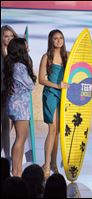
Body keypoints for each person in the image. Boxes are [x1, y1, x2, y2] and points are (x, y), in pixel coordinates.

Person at [4, 38, 36, 177]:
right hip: (20, 106)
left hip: (13, 104)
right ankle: (16, 171)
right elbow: (31, 85)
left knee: (20, 138)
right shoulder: (20, 67)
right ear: (20, 50)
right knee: (20, 138)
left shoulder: (12, 65)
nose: (28, 48)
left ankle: (17, 170)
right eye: (26, 47)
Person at [39, 29, 68, 179]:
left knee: (57, 132)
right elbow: (41, 79)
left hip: (65, 96)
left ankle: (54, 164)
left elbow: (75, 73)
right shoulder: (47, 57)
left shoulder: (67, 55)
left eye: (60, 38)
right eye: (55, 38)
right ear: (51, 40)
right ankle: (46, 164)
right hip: (51, 93)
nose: (58, 40)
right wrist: (57, 86)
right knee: (52, 129)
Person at [1, 25, 18, 160]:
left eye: (11, 36)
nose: (9, 39)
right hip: (2, 92)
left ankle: (6, 158)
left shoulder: (17, 53)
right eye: (6, 36)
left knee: (7, 127)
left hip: (10, 93)